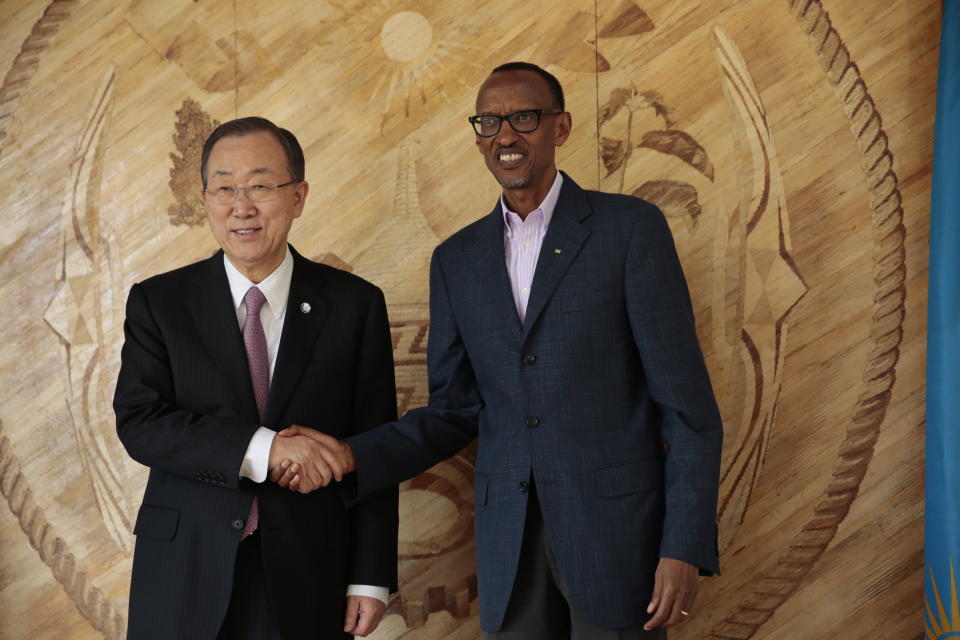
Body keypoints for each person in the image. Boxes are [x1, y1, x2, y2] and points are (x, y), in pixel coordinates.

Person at [279, 61, 724, 639]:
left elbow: (688, 411)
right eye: (489, 122)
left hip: (619, 541)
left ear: (560, 128)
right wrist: (351, 454)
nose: (505, 136)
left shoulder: (630, 230)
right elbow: (452, 411)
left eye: (523, 118)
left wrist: (683, 546)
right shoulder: (456, 260)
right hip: (507, 548)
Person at [113, 117, 398, 640]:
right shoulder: (160, 302)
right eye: (224, 188)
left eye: (261, 186)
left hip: (310, 568)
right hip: (184, 566)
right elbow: (141, 422)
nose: (240, 207)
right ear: (205, 199)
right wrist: (265, 449)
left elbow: (375, 444)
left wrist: (371, 577)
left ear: (298, 196)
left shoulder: (355, 305)